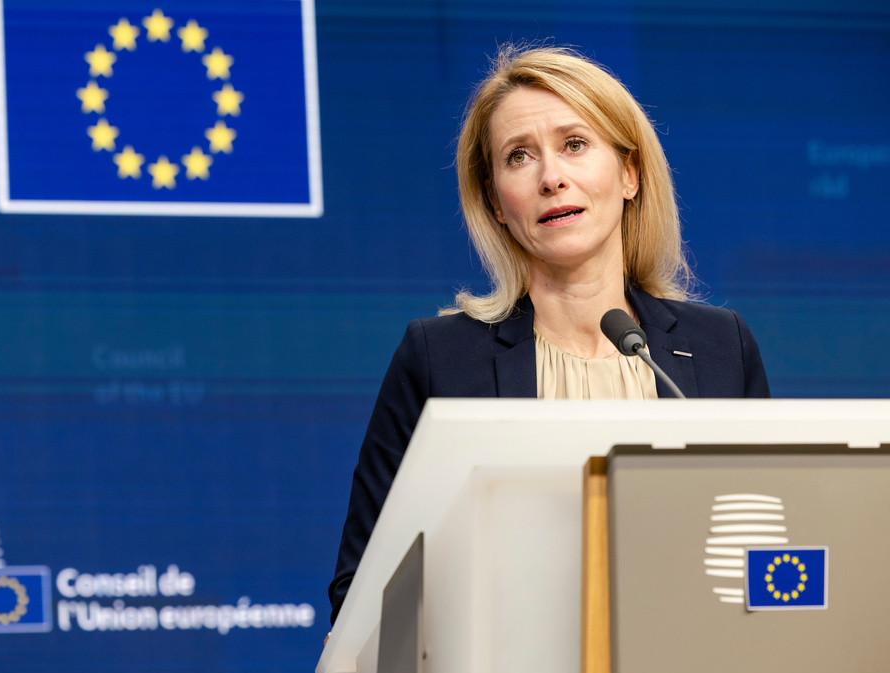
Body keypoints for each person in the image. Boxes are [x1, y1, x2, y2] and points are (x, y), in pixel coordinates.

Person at [328, 45, 770, 625]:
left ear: (630, 173)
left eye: (575, 144)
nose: (551, 178)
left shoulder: (720, 348)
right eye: (518, 157)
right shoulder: (439, 358)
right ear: (495, 203)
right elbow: (361, 589)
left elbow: (766, 547)